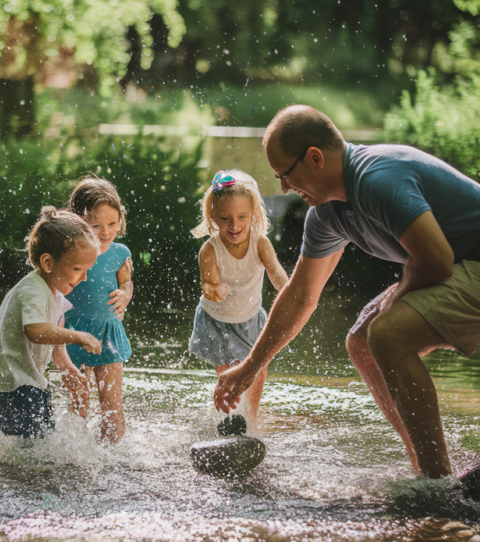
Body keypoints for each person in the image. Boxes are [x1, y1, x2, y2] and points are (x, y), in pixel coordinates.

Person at [214, 104, 480, 491]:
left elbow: (436, 261)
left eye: (285, 175)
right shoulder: (326, 215)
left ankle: (439, 488)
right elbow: (300, 296)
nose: (285, 189)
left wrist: (397, 298)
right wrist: (250, 367)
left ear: (315, 158)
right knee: (362, 343)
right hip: (462, 264)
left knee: (388, 333)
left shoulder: (377, 179)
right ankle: (428, 468)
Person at [0, 206, 101, 438]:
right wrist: (78, 336)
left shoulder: (55, 294)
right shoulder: (33, 290)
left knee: (43, 433)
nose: (84, 277)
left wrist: (69, 369)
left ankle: (28, 469)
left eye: (87, 270)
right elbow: (37, 331)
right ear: (48, 263)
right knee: (34, 440)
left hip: (27, 377)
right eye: (77, 268)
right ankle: (20, 471)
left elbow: (55, 341)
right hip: (8, 379)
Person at [189, 169, 288, 430]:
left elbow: (278, 275)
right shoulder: (209, 249)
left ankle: (250, 418)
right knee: (228, 373)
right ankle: (231, 419)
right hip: (217, 320)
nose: (234, 226)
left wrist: (291, 293)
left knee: (257, 369)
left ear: (253, 215)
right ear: (213, 216)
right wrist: (215, 289)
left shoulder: (260, 243)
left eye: (242, 217)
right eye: (225, 218)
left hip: (251, 317)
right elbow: (207, 286)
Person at [63, 176, 133, 443]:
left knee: (112, 407)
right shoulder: (67, 252)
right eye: (96, 225)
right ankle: (78, 456)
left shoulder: (119, 253)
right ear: (78, 222)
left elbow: (126, 282)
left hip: (107, 333)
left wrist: (125, 294)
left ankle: (111, 457)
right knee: (78, 405)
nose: (105, 233)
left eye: (112, 224)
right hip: (71, 332)